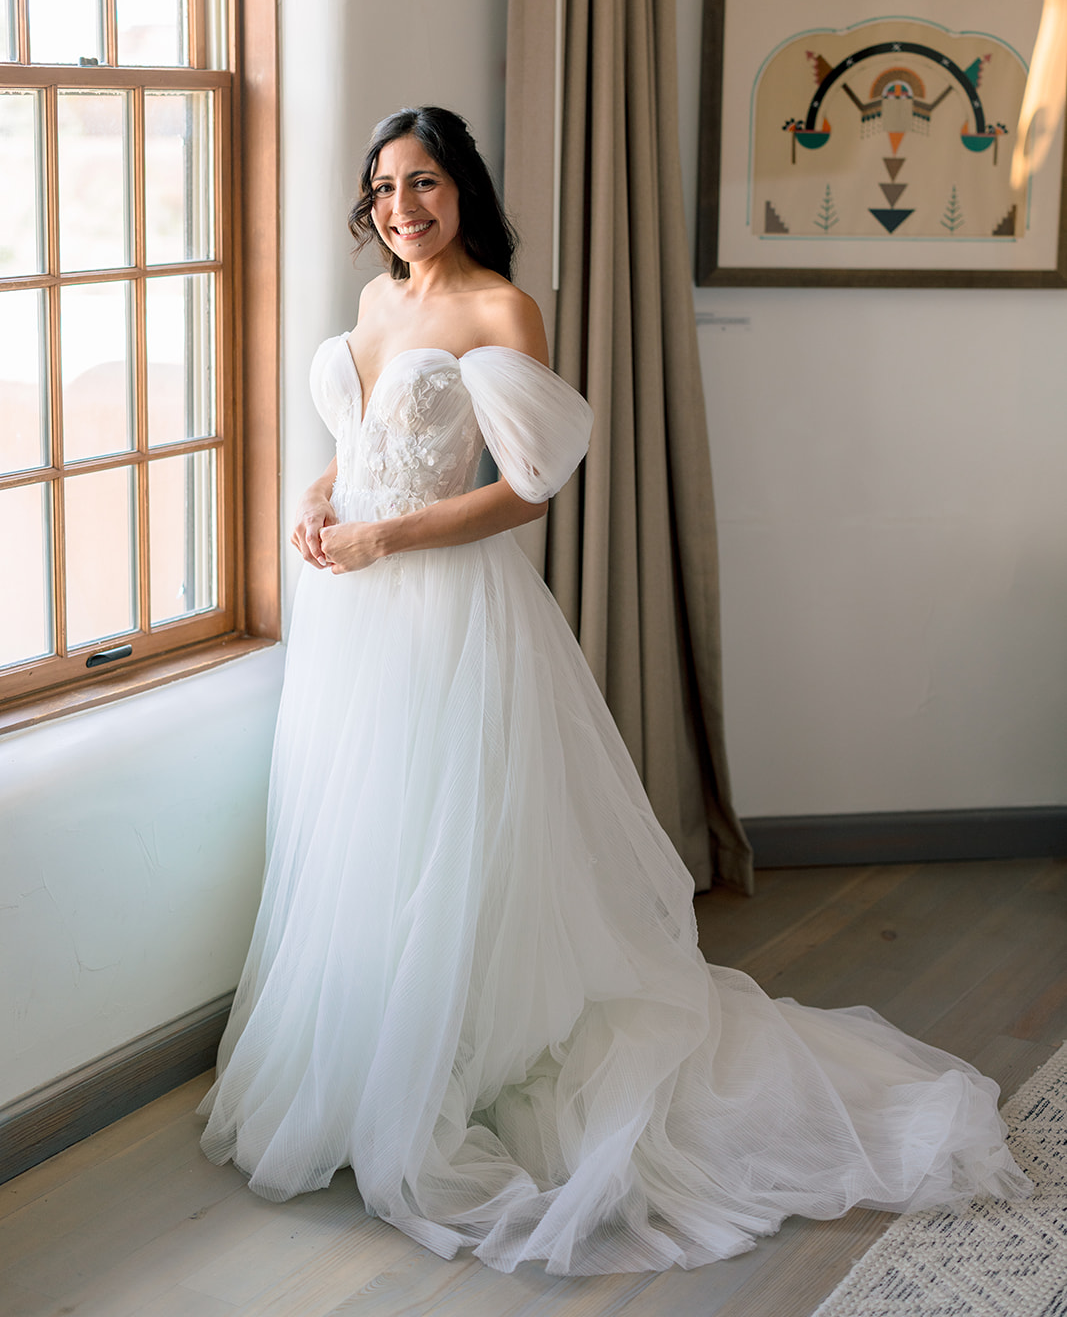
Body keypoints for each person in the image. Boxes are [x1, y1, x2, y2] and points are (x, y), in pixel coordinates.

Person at [199, 106, 1029, 1276]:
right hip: (354, 620)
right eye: (384, 187)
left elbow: (526, 489)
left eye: (424, 183)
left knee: (455, 838)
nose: (401, 207)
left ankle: (462, 1062)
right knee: (364, 834)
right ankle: (367, 1065)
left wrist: (387, 539)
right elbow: (368, 429)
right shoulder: (377, 301)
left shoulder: (498, 308)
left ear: (462, 190)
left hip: (446, 606)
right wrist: (322, 498)